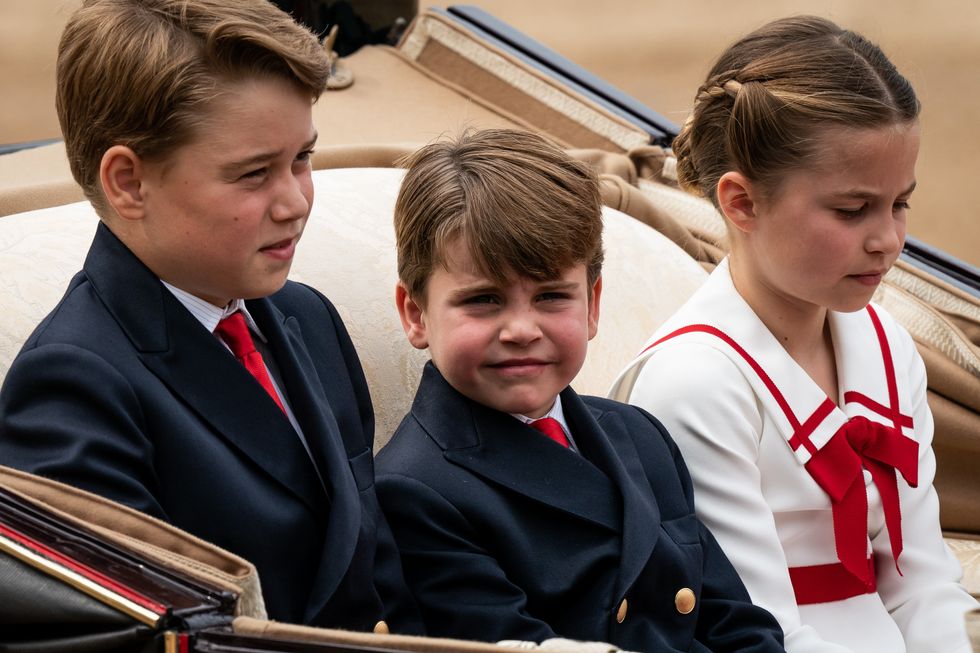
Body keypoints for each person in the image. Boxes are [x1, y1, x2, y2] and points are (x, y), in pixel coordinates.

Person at [0, 0, 421, 634]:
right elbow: (139, 635)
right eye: (254, 175)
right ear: (127, 182)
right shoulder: (72, 386)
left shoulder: (308, 320)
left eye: (302, 159)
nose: (295, 201)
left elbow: (379, 578)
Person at [615, 15, 979, 653]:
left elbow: (922, 579)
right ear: (742, 202)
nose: (888, 240)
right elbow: (756, 630)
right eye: (851, 209)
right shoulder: (693, 384)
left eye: (901, 204)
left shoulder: (887, 347)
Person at [375, 128, 785, 652]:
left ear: (592, 306)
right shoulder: (413, 491)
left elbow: (734, 619)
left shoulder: (636, 434)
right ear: (416, 314)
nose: (522, 329)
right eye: (483, 300)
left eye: (550, 296)